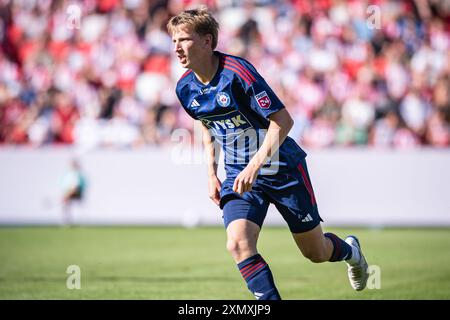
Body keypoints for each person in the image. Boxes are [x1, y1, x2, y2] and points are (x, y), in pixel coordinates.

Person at [168, 7, 369, 300]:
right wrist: (211, 173)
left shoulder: (238, 73)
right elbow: (205, 124)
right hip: (239, 176)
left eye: (183, 39)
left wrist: (255, 165)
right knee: (237, 244)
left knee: (315, 252)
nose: (176, 47)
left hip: (281, 168)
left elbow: (283, 121)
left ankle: (352, 252)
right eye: (173, 40)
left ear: (207, 41)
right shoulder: (185, 88)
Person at [60, 158, 86, 226]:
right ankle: (67, 222)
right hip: (69, 192)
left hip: (74, 193)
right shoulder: (70, 174)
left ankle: (69, 222)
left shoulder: (75, 174)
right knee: (67, 207)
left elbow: (75, 187)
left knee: (69, 206)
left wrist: (68, 195)